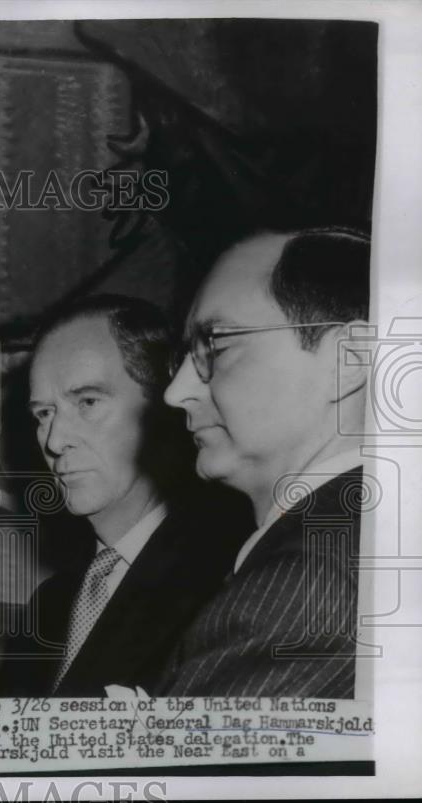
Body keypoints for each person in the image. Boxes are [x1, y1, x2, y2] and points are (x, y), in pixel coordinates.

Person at [0, 294, 249, 697]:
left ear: (165, 406)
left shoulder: (229, 586)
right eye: (43, 413)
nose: (56, 440)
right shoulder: (49, 607)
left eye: (88, 402)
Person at [160, 227, 370, 698]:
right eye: (184, 356)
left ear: (350, 359)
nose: (176, 393)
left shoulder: (310, 580)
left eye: (216, 346)